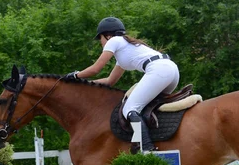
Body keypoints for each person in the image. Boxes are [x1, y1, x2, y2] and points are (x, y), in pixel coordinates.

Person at [66, 17, 179, 151]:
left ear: (107, 36)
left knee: (129, 109)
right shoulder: (125, 51)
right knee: (148, 108)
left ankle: (147, 148)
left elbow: (96, 69)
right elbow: (110, 81)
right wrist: (86, 83)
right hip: (171, 71)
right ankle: (159, 139)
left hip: (159, 71)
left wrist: (75, 75)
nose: (100, 43)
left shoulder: (114, 41)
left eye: (100, 39)